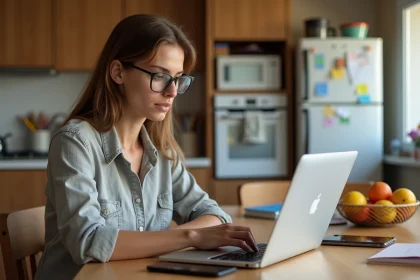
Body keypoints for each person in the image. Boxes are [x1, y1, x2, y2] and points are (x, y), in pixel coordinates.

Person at [35, 14, 258, 280]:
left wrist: (198, 233)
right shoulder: (75, 142)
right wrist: (191, 236)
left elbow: (214, 215)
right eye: (160, 76)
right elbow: (89, 242)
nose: (172, 92)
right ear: (118, 72)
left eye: (178, 78)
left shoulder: (163, 151)